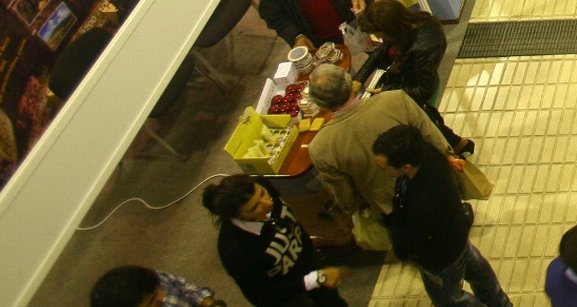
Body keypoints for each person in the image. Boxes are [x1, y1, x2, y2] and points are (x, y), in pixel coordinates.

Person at [372, 124, 511, 307]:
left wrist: (394, 215)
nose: (382, 171)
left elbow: (405, 248)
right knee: (480, 275)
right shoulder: (428, 153)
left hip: (440, 258)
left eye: (385, 168)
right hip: (458, 234)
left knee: (451, 300)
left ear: (405, 167)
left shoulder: (422, 201)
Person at [305, 63, 452, 219]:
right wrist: (449, 159)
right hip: (433, 181)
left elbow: (346, 196)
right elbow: (431, 135)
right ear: (350, 83)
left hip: (390, 207)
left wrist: (361, 208)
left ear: (320, 104)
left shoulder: (320, 148)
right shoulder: (395, 99)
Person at [202, 176, 346, 307]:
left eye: (262, 193)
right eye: (255, 207)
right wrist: (314, 280)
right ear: (237, 216)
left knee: (332, 301)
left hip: (306, 259)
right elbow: (263, 296)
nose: (268, 203)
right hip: (284, 292)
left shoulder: (260, 183)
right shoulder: (234, 250)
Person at [356, 0, 470, 153]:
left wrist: (387, 91)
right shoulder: (409, 24)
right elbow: (383, 50)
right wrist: (359, 79)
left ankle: (455, 145)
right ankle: (456, 143)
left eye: (379, 34)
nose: (380, 39)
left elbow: (424, 91)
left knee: (423, 125)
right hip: (407, 81)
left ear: (390, 29)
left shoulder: (423, 47)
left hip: (415, 88)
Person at [87, 266, 220, 307]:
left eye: (158, 289)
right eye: (151, 301)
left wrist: (209, 303)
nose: (163, 296)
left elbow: (185, 288)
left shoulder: (151, 280)